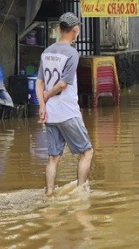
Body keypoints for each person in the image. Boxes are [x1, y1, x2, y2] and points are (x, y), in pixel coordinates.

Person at [37, 12, 93, 197]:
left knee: (53, 157)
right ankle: (81, 190)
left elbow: (39, 82)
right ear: (75, 30)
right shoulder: (72, 53)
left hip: (51, 113)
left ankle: (49, 193)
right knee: (86, 152)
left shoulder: (46, 52)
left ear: (60, 29)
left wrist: (42, 105)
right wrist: (48, 94)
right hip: (67, 111)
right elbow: (62, 85)